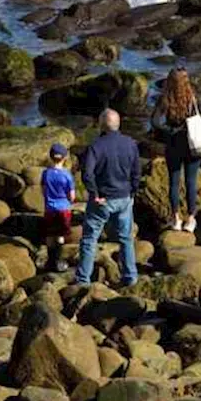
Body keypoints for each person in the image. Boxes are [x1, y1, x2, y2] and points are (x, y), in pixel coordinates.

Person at [75, 109, 140, 288]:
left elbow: (87, 174)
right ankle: (130, 276)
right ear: (118, 124)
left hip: (103, 198)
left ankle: (83, 280)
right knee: (126, 238)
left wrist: (94, 194)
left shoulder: (96, 146)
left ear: (101, 125)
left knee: (90, 239)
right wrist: (133, 191)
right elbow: (136, 172)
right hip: (124, 197)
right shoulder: (130, 144)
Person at [150, 68, 201, 233]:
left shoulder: (165, 99)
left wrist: (169, 131)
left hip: (173, 145)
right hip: (191, 144)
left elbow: (155, 121)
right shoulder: (192, 99)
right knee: (191, 182)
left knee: (173, 183)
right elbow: (200, 118)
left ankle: (176, 219)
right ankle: (191, 219)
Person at [41, 142, 76, 272]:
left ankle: (50, 262)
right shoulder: (67, 175)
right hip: (63, 209)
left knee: (50, 236)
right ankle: (58, 261)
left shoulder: (46, 173)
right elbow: (72, 196)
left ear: (50, 157)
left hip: (50, 208)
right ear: (65, 158)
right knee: (60, 236)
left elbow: (43, 190)